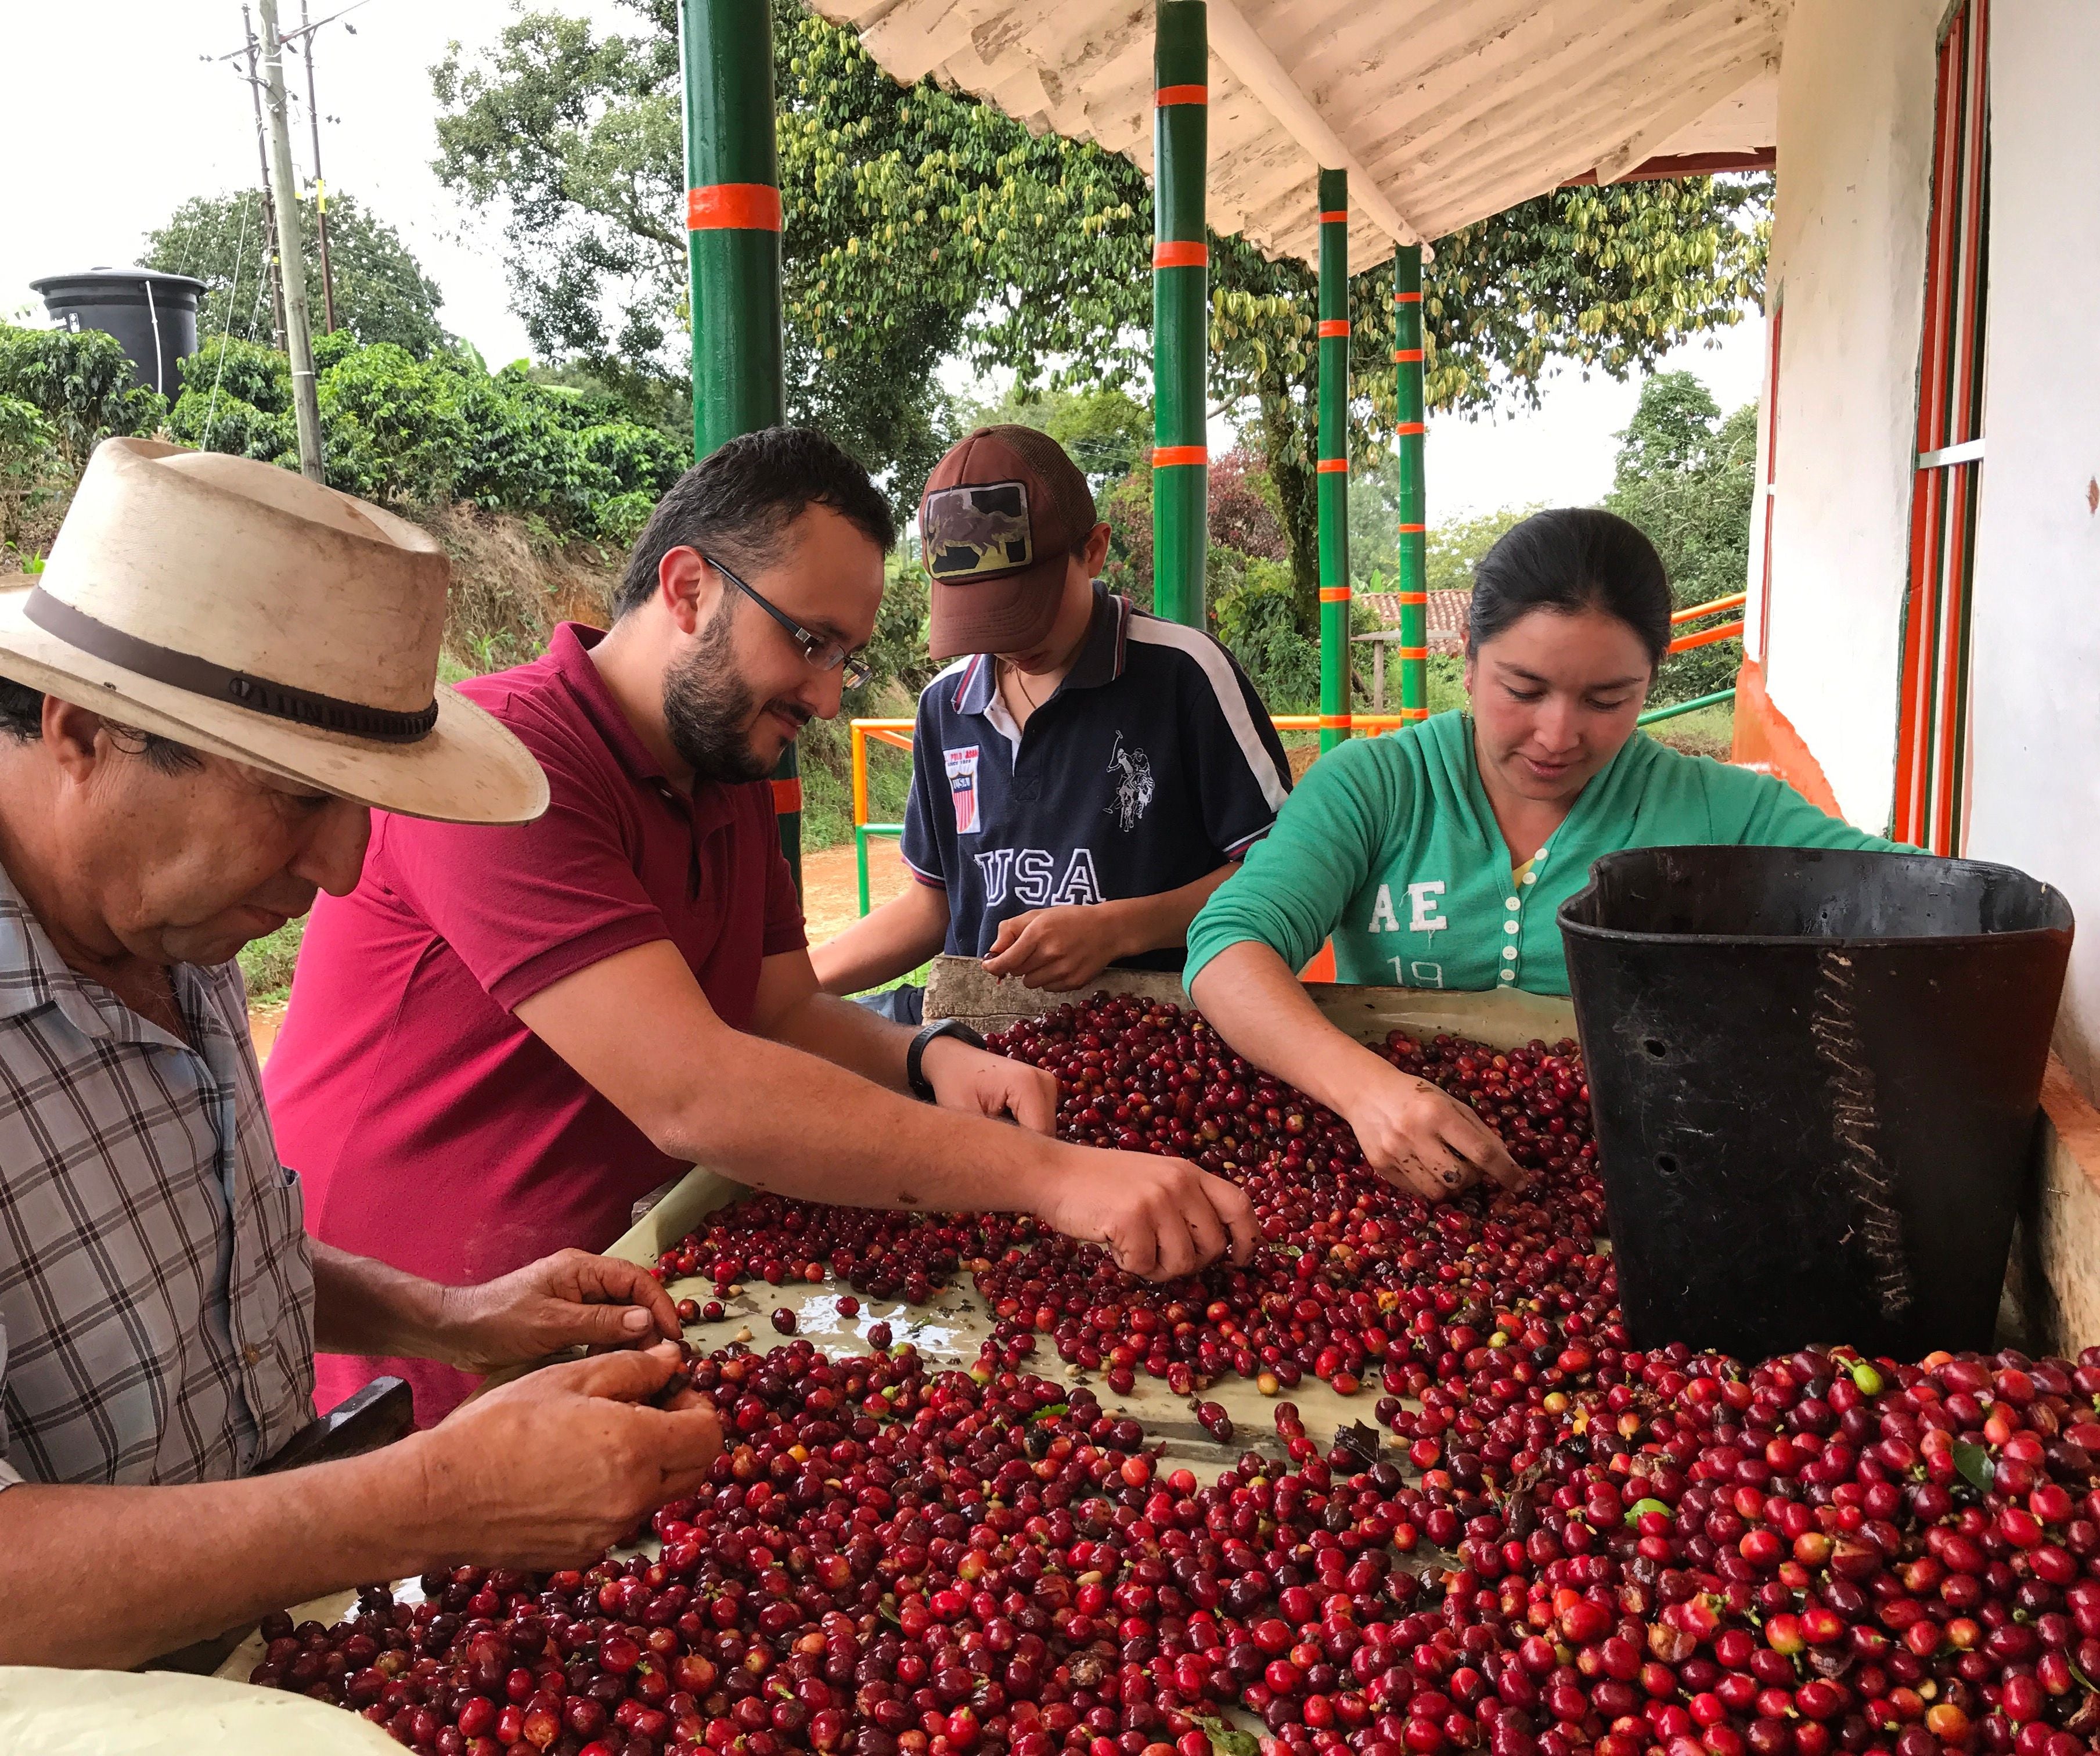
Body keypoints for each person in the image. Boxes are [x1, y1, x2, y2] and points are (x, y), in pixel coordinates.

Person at [267, 426, 1255, 1427]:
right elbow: (696, 1091)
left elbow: (780, 1006)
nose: (827, 695)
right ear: (689, 588)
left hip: (608, 1302)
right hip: (424, 1358)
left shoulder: (729, 777)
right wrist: (1053, 1178)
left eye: (847, 659)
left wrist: (930, 1056)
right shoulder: (508, 768)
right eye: (809, 640)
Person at [0, 439, 722, 1668]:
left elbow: (184, 1254)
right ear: (83, 733)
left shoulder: (172, 919)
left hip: (259, 1647)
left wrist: (456, 1317)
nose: (339, 869)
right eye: (298, 798)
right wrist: (426, 1502)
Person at [1185, 506, 1899, 1205]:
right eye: (1521, 690)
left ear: (1654, 675)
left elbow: (1909, 899)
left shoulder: (1722, 812)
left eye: (1607, 699)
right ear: (1466, 658)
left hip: (1638, 1179)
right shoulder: (1378, 786)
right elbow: (1226, 949)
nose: (1556, 735)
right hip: (1390, 1171)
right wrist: (1364, 1088)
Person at [812, 426, 1294, 1024]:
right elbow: (932, 906)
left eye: (1023, 610)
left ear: (1092, 551)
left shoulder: (1184, 676)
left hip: (1154, 1036)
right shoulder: (945, 706)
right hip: (982, 1027)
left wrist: (1121, 930)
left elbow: (1282, 870)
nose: (1009, 642)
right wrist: (797, 985)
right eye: (982, 618)